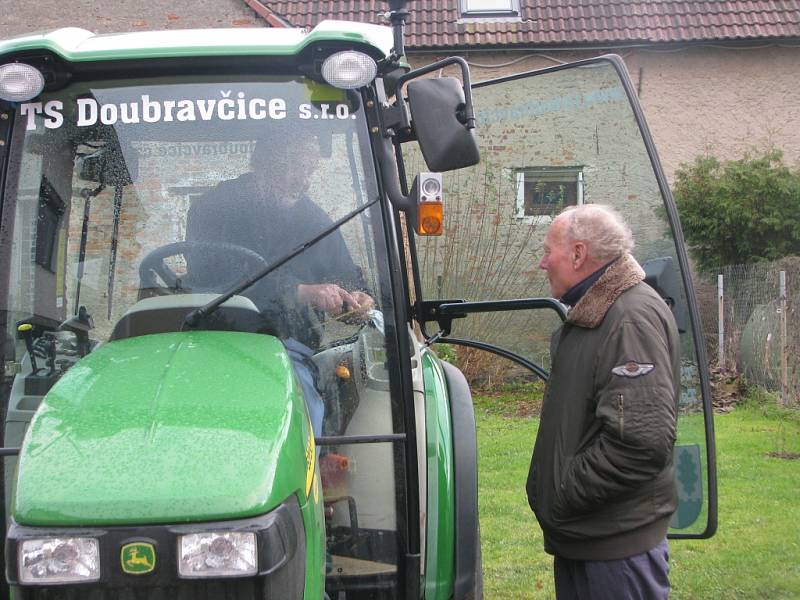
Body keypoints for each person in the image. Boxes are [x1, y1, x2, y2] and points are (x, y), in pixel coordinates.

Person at [527, 204, 679, 600]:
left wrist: (563, 492)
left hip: (616, 547)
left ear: (578, 254)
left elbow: (640, 445)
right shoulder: (594, 314)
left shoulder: (629, 318)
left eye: (548, 251)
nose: (542, 263)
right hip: (588, 536)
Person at [185, 131, 373, 435]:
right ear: (265, 161)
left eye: (309, 170)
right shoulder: (215, 209)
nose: (304, 180)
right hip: (212, 339)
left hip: (286, 349)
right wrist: (298, 291)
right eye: (296, 166)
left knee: (302, 422)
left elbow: (347, 276)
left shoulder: (314, 222)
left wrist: (359, 297)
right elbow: (214, 275)